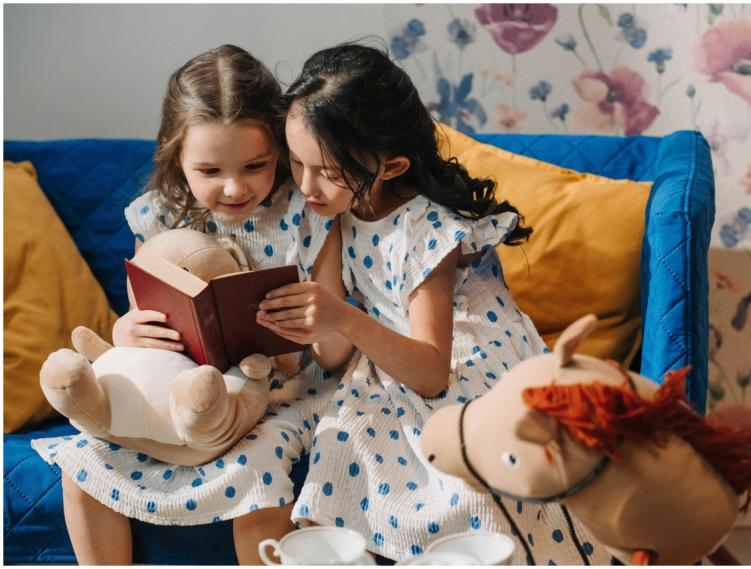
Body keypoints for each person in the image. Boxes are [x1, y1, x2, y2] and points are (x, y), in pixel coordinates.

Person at [256, 42, 600, 565]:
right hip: (385, 357)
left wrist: (341, 316)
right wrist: (312, 321)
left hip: (461, 358)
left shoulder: (426, 229)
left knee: (470, 485)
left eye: (326, 171)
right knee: (339, 448)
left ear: (391, 166)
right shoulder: (331, 212)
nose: (306, 186)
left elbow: (434, 373)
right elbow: (332, 355)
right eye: (297, 162)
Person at [32, 44, 346, 565]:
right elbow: (140, 320)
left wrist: (315, 323)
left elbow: (335, 353)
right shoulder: (159, 215)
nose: (234, 187)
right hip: (176, 391)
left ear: (281, 150)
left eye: (255, 165)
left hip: (280, 393)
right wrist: (127, 333)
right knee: (82, 463)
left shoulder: (308, 215)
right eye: (209, 170)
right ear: (176, 157)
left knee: (257, 474)